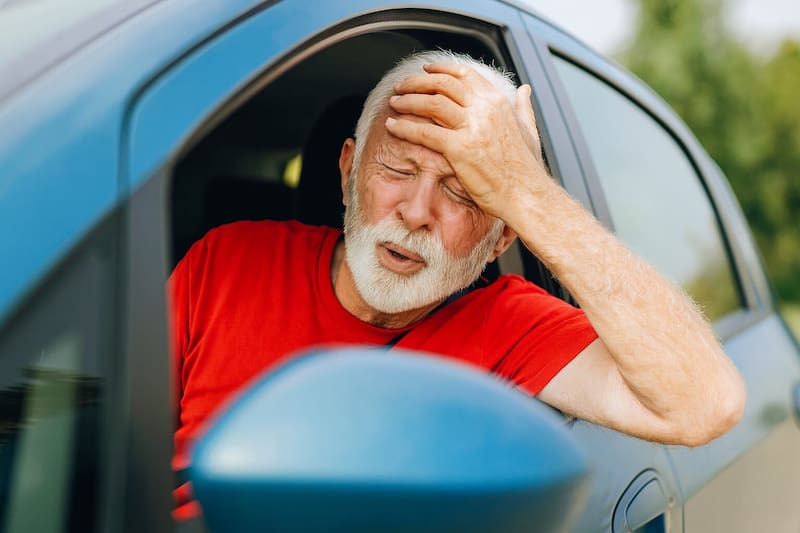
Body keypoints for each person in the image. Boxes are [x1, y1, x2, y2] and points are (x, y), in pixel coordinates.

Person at [168, 50, 746, 518]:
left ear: (500, 241)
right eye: (396, 170)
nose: (416, 211)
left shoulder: (509, 325)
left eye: (464, 193)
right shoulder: (225, 259)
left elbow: (703, 405)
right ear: (347, 173)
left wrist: (526, 191)